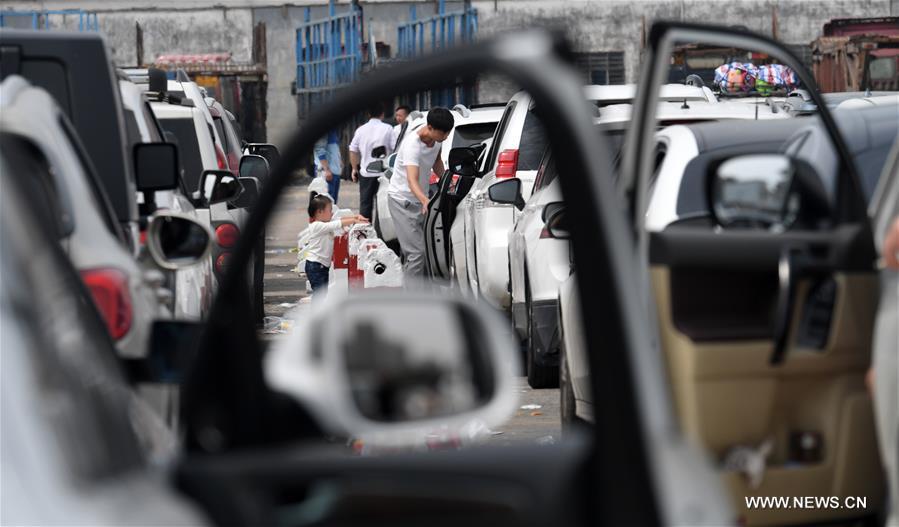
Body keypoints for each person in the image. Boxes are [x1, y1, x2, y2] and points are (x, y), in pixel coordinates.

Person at [386, 107, 454, 280]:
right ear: (430, 127)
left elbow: (436, 162)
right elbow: (412, 180)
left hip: (420, 201)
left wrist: (449, 182)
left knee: (425, 251)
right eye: (443, 133)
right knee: (416, 254)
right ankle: (412, 302)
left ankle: (424, 294)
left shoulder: (437, 140)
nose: (445, 137)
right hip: (402, 201)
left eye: (447, 133)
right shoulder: (412, 145)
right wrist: (425, 200)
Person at [299, 191, 367, 299]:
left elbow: (339, 220)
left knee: (322, 295)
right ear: (320, 212)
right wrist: (354, 220)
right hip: (315, 266)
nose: (331, 213)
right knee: (319, 296)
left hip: (321, 266)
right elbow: (337, 224)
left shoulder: (325, 223)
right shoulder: (316, 226)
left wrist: (355, 217)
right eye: (330, 210)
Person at [349, 103, 394, 220]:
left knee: (365, 205)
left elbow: (353, 150)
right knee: (382, 206)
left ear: (368, 114)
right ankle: (381, 234)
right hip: (384, 174)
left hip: (366, 173)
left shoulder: (360, 130)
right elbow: (395, 149)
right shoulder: (388, 129)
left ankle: (365, 234)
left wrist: (354, 168)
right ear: (382, 114)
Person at [314, 130, 342, 203]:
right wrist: (326, 170)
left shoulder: (332, 131)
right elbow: (319, 150)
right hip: (327, 173)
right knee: (326, 204)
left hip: (334, 172)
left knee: (332, 204)